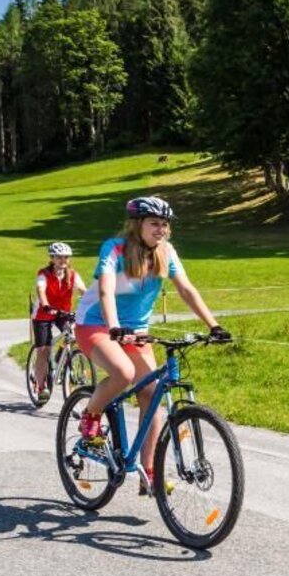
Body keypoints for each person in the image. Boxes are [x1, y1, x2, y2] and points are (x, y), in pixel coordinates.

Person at [74, 196, 229, 493]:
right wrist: (115, 327)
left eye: (165, 225)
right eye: (154, 223)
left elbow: (186, 289)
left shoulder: (166, 252)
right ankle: (91, 415)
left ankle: (150, 472)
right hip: (96, 323)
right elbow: (106, 291)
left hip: (137, 330)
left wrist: (214, 325)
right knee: (122, 373)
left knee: (151, 394)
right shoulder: (115, 248)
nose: (161, 230)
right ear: (137, 225)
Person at [31, 242, 86, 403]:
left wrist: (93, 302)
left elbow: (84, 290)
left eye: (66, 257)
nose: (63, 260)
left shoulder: (73, 275)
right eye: (59, 257)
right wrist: (46, 305)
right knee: (43, 349)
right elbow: (41, 290)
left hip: (63, 313)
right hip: (43, 313)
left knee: (74, 335)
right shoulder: (44, 274)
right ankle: (41, 386)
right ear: (52, 258)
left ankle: (62, 358)